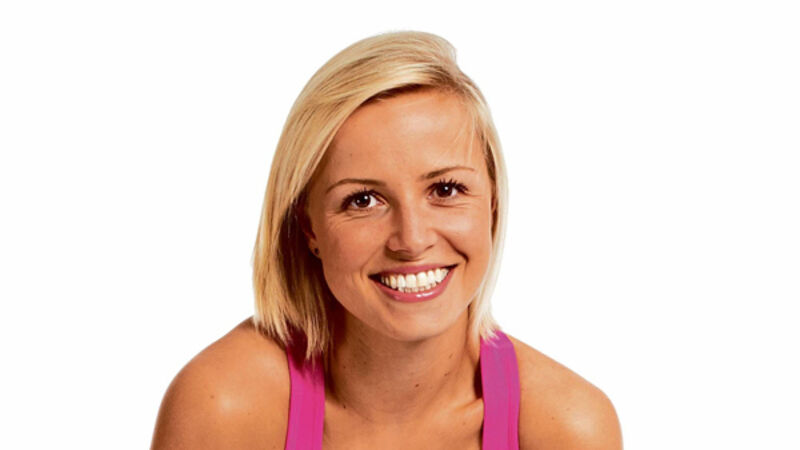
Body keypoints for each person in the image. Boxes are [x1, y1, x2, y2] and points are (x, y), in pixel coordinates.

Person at [151, 31, 622, 449]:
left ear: (492, 202)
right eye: (363, 200)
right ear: (308, 227)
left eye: (445, 190)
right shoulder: (226, 406)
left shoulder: (567, 428)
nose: (411, 240)